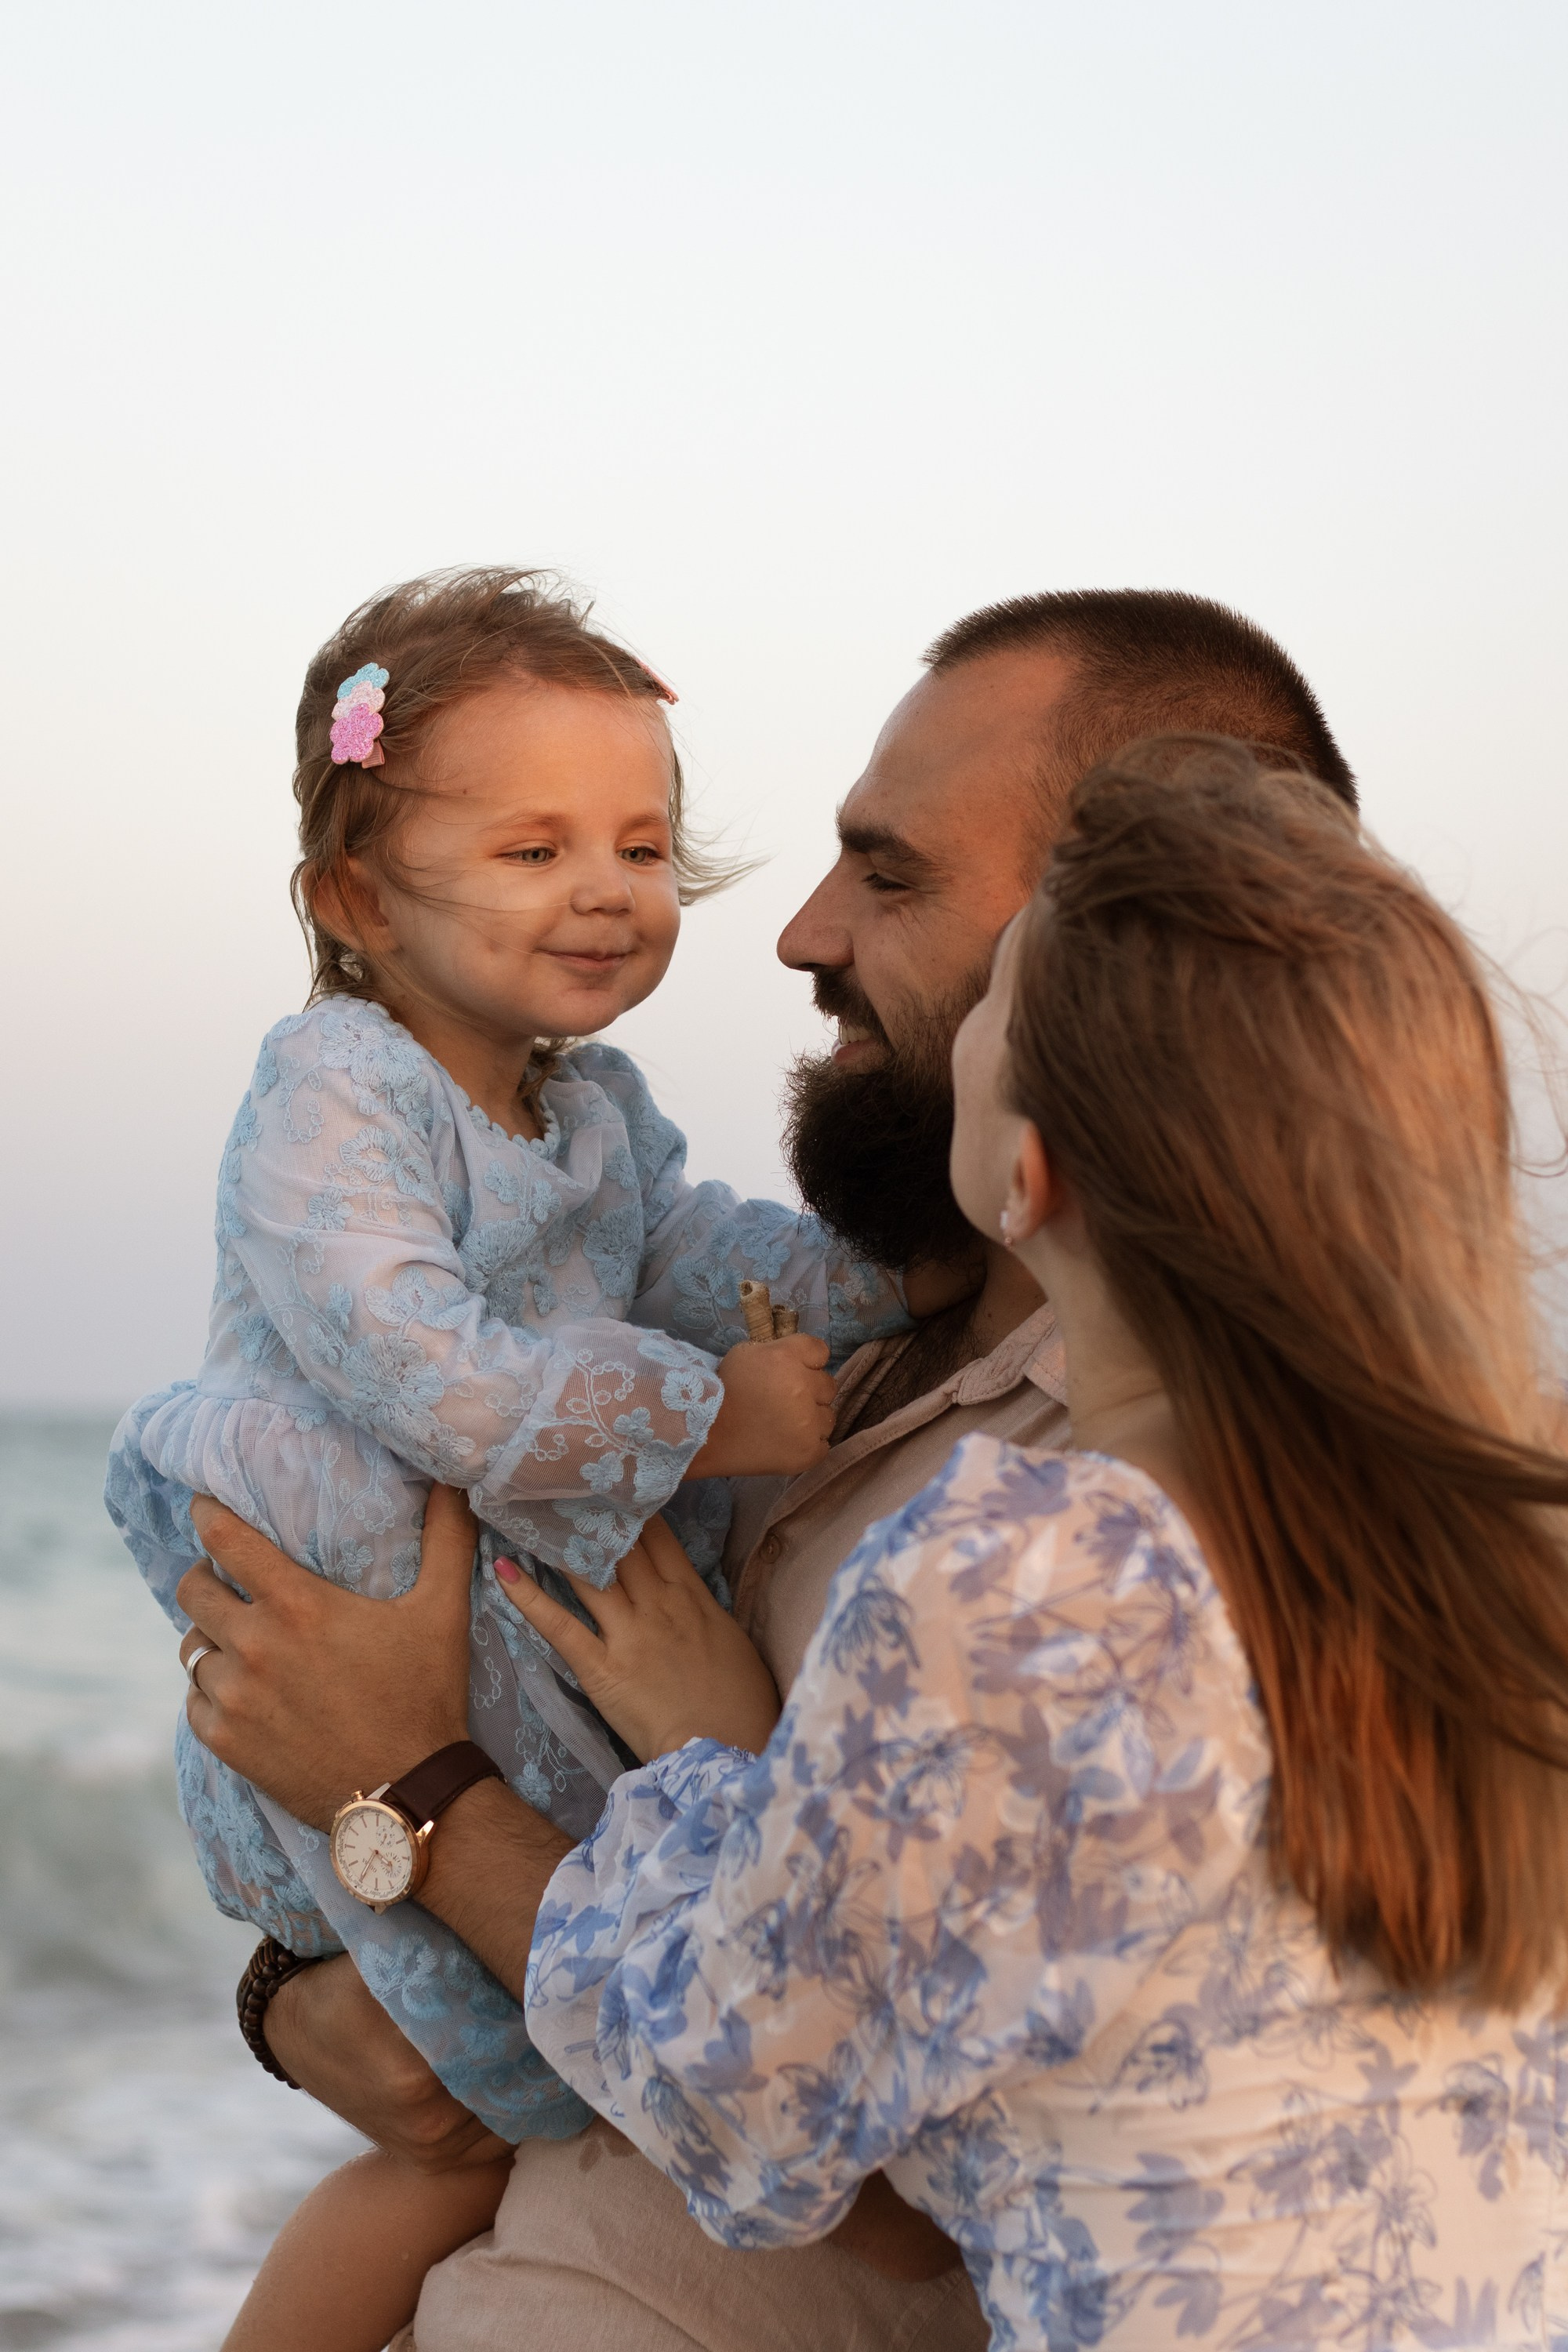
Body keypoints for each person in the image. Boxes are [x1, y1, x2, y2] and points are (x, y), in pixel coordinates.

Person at [174, 739, 1568, 2350]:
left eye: (989, 1009)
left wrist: (431, 1790)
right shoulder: (1510, 1538)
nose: (801, 935)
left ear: (1023, 1174)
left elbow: (761, 2104)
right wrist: (303, 1990)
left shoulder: (1031, 1570)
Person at [104, 566, 939, 2350]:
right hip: (342, 1622)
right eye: (532, 848)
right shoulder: (335, 1094)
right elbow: (424, 1377)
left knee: (486, 2132)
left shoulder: (593, 1115)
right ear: (357, 898)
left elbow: (703, 1253)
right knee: (463, 2138)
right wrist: (712, 1417)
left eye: (641, 848)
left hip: (475, 1679)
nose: (607, 894)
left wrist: (887, 1270)